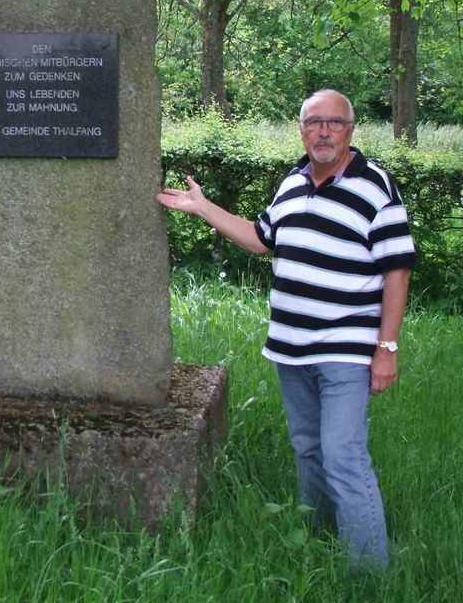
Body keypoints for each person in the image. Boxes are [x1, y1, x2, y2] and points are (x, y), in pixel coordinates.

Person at [156, 89, 416, 573]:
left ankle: (369, 573)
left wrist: (387, 347)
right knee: (309, 450)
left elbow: (397, 270)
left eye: (334, 123)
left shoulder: (375, 184)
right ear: (301, 130)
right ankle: (316, 543)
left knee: (342, 455)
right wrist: (203, 207)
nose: (323, 131)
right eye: (314, 122)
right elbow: (260, 239)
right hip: (292, 350)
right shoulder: (291, 183)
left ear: (351, 130)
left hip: (347, 350)